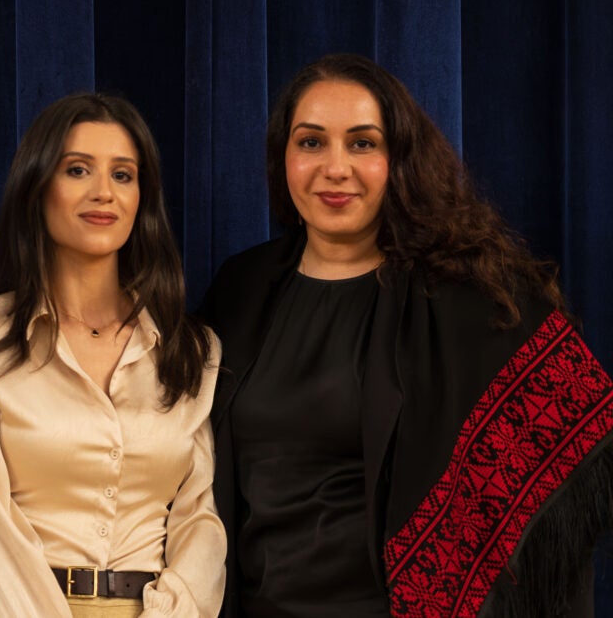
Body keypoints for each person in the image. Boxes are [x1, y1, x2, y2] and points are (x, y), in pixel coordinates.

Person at [200, 53, 613, 617]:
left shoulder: (466, 298)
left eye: (363, 143)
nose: (336, 167)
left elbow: (569, 429)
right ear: (283, 159)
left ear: (399, 159)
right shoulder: (239, 289)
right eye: (311, 142)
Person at [0, 93, 226, 617]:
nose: (104, 193)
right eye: (77, 170)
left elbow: (198, 521)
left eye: (123, 175)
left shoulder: (191, 349)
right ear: (38, 186)